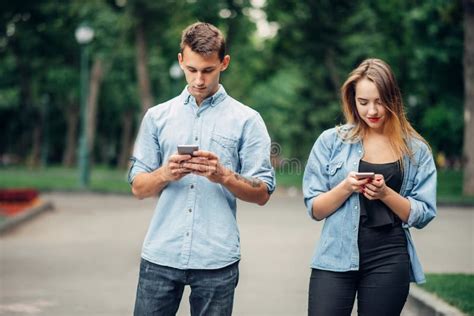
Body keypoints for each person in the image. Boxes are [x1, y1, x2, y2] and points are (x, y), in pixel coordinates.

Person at [128, 22, 275, 315]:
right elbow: (138, 187)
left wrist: (224, 176)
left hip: (216, 258)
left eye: (207, 70)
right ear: (181, 60)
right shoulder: (157, 117)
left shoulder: (248, 120)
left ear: (224, 63)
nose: (198, 79)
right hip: (161, 252)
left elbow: (262, 193)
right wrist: (165, 174)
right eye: (192, 69)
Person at [302, 58, 436, 316]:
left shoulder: (416, 150)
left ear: (393, 99)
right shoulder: (332, 141)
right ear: (352, 100)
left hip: (389, 258)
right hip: (334, 257)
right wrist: (346, 187)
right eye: (363, 102)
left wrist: (386, 194)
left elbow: (423, 214)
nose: (372, 110)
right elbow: (315, 209)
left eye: (380, 101)